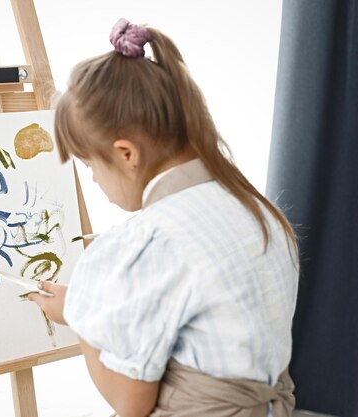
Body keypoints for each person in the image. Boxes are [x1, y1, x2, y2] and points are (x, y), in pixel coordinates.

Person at [28, 18, 300, 417]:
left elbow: (130, 403)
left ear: (125, 153)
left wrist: (84, 312)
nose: (94, 181)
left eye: (90, 166)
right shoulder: (256, 209)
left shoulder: (150, 240)